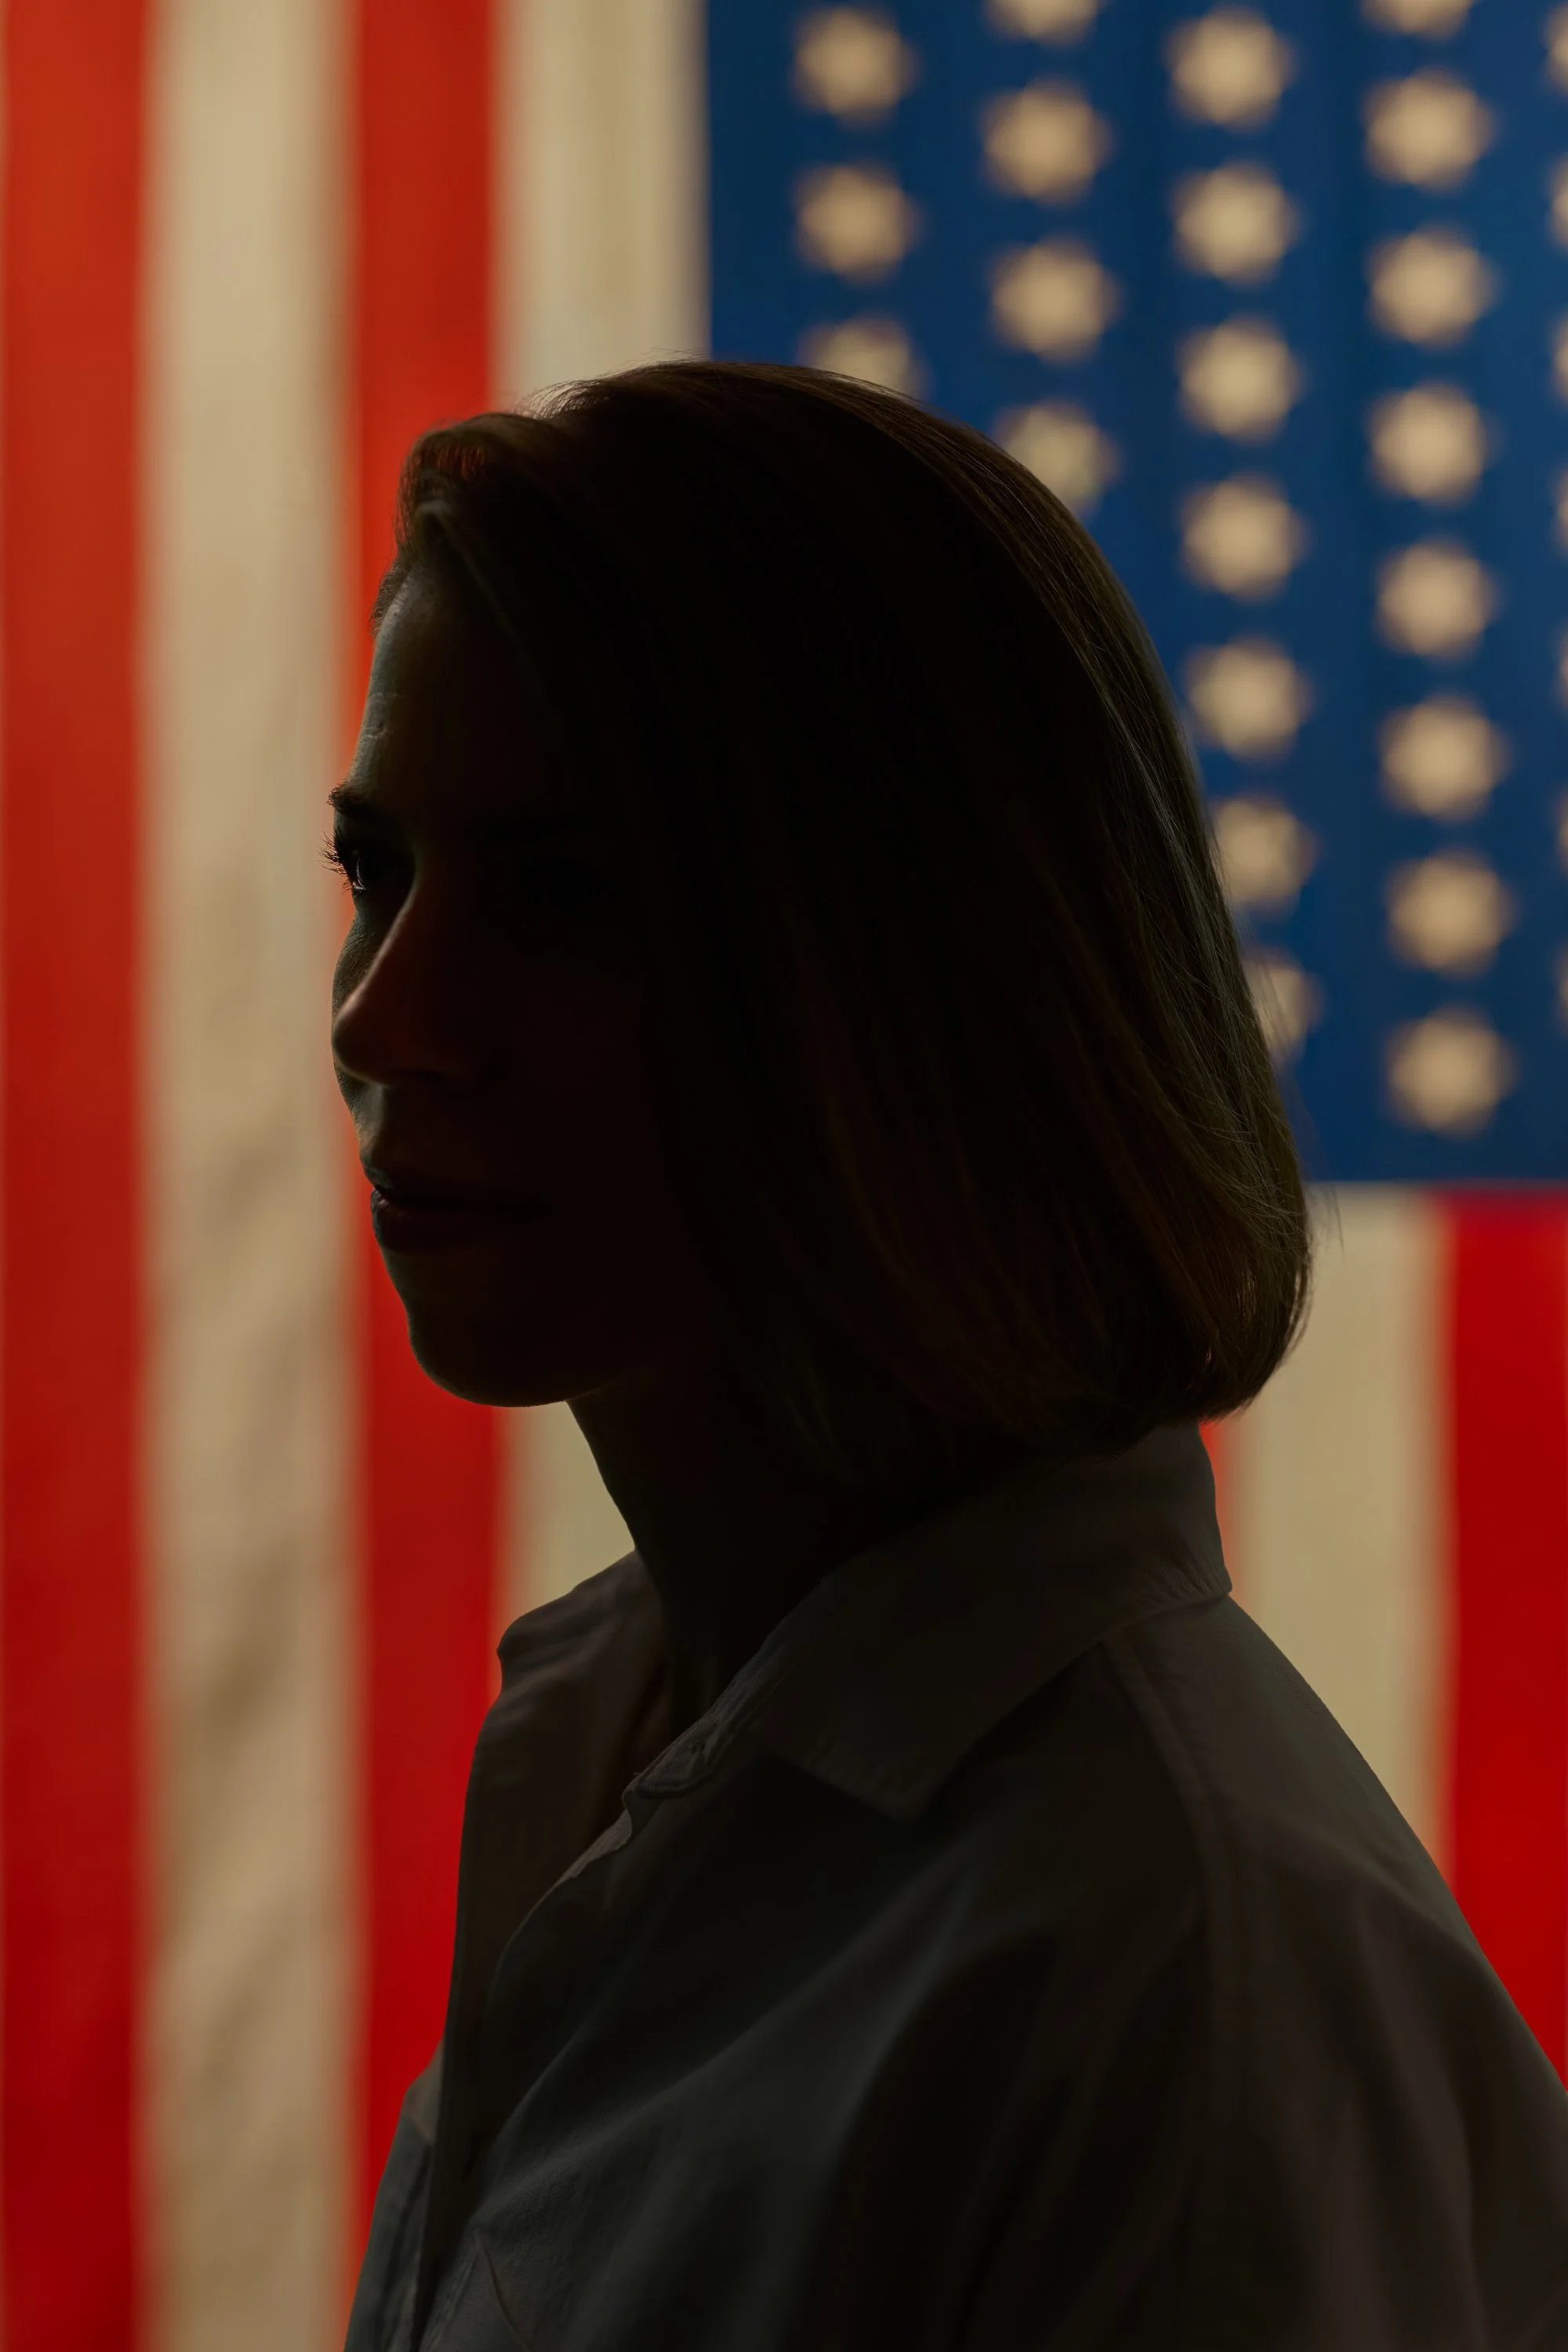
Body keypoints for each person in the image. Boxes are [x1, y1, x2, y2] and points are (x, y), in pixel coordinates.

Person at [333, 362, 1568, 2351]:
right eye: (375, 874)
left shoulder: (1166, 1977)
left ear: (902, 968)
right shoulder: (630, 1760)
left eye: (565, 895)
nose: (390, 1018)